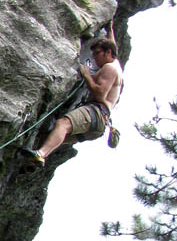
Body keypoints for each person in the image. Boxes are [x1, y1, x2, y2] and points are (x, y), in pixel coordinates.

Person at [21, 29, 123, 168]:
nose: (94, 58)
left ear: (108, 53)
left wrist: (87, 75)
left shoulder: (110, 68)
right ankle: (33, 161)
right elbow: (112, 44)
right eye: (93, 54)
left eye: (97, 53)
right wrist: (110, 27)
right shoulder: (115, 65)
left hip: (95, 112)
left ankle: (40, 154)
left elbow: (100, 94)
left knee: (63, 124)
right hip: (99, 124)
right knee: (52, 135)